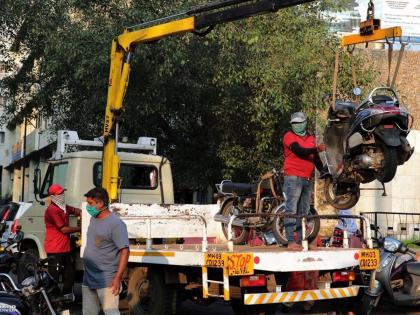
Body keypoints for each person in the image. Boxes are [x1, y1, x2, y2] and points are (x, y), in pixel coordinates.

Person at [82, 187, 129, 315]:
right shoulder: (93, 219)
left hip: (106, 280)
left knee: (111, 312)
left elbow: (124, 251)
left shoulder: (116, 224)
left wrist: (118, 277)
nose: (88, 207)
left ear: (101, 203)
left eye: (90, 204)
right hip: (88, 278)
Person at [282, 112, 325, 250]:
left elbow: (316, 158)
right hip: (293, 177)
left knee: (304, 211)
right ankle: (290, 241)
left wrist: (325, 172)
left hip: (307, 178)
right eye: (294, 123)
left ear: (305, 122)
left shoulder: (311, 138)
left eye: (299, 122)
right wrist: (316, 148)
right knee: (291, 209)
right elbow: (299, 150)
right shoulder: (289, 136)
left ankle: (302, 241)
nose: (297, 125)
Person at [44, 183, 81, 299]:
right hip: (55, 249)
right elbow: (63, 229)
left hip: (65, 248)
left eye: (63, 192)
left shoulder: (63, 207)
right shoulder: (52, 210)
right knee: (54, 276)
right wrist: (80, 228)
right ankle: (51, 299)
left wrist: (85, 212)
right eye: (60, 193)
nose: (62, 195)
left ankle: (67, 295)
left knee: (70, 273)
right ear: (53, 196)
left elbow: (76, 211)